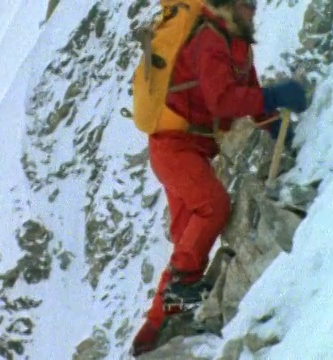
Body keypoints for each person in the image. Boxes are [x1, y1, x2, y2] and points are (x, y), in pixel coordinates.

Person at [131, 0, 307, 356]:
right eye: (247, 5)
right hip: (174, 146)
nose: (254, 10)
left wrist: (276, 128)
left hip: (187, 146)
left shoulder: (236, 43)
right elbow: (222, 101)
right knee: (213, 206)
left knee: (187, 237)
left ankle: (151, 331)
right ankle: (183, 288)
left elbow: (251, 97)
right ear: (228, 7)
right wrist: (274, 96)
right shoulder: (212, 39)